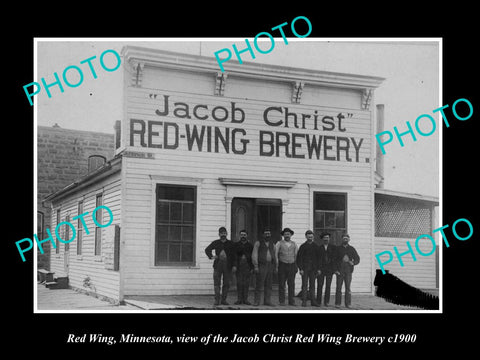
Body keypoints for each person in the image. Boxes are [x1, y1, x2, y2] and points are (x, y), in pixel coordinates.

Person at [205, 227, 237, 306]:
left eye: (224, 233)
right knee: (217, 283)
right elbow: (207, 249)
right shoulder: (216, 242)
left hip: (228, 265)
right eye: (221, 233)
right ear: (219, 234)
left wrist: (234, 265)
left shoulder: (231, 243)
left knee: (226, 283)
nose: (223, 234)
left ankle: (224, 300)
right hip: (218, 265)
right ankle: (217, 300)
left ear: (227, 234)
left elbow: (234, 256)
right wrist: (212, 256)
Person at [251, 228, 277, 306]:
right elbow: (254, 254)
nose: (267, 235)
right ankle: (256, 301)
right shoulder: (258, 243)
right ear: (263, 235)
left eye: (269, 233)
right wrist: (256, 266)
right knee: (259, 284)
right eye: (266, 233)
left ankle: (267, 301)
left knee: (269, 285)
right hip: (261, 265)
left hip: (270, 266)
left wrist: (275, 266)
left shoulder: (273, 244)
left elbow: (275, 256)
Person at [334, 233, 360, 308]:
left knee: (348, 287)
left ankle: (348, 303)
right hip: (340, 270)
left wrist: (353, 263)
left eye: (346, 238)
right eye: (344, 238)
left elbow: (357, 259)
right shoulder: (338, 249)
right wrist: (335, 270)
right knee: (338, 287)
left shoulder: (352, 249)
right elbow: (334, 260)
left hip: (348, 271)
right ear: (342, 239)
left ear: (349, 239)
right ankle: (337, 303)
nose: (345, 239)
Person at [296, 230, 320, 307]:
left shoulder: (316, 246)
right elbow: (299, 259)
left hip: (313, 269)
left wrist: (318, 269)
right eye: (308, 236)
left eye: (311, 236)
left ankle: (313, 301)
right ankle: (304, 301)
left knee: (312, 285)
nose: (310, 237)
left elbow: (319, 259)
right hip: (305, 269)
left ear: (313, 237)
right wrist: (301, 269)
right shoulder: (303, 246)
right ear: (306, 236)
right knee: (304, 285)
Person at [275, 228, 298, 306]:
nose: (287, 235)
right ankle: (282, 301)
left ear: (291, 235)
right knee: (281, 284)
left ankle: (291, 301)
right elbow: (276, 255)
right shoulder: (279, 243)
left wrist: (296, 266)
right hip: (282, 265)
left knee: (291, 284)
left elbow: (296, 255)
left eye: (288, 234)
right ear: (283, 235)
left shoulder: (294, 244)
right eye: (285, 234)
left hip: (291, 265)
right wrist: (277, 265)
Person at [233, 229, 254, 305]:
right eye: (241, 235)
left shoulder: (250, 245)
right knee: (239, 283)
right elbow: (234, 256)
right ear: (239, 235)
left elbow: (253, 257)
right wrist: (234, 266)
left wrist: (252, 267)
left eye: (244, 235)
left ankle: (245, 299)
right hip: (239, 266)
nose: (243, 236)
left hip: (247, 266)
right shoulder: (236, 245)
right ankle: (239, 299)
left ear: (247, 236)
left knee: (246, 283)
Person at [317, 232, 336, 306]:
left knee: (328, 286)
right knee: (320, 285)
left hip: (329, 270)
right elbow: (317, 259)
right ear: (322, 239)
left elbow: (335, 259)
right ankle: (318, 301)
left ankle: (326, 302)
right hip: (321, 270)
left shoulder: (333, 247)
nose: (326, 239)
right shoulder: (319, 248)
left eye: (327, 238)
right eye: (324, 238)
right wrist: (318, 269)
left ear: (329, 239)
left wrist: (334, 269)